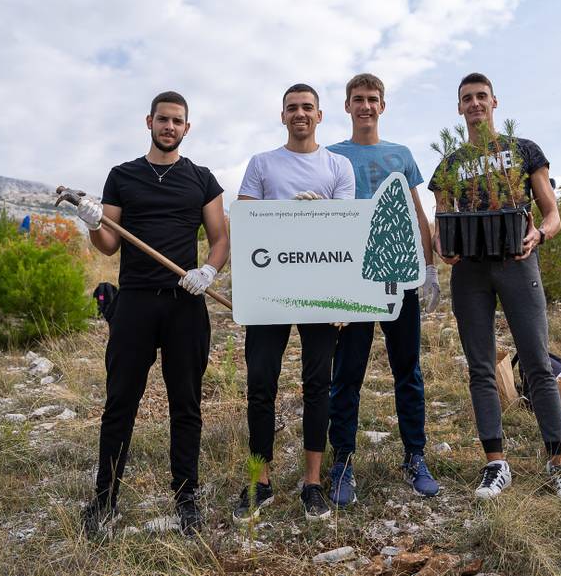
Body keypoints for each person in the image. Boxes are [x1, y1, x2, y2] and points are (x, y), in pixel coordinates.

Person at [76, 91, 230, 538]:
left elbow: (220, 238)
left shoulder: (202, 179)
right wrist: (93, 223)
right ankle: (104, 501)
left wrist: (208, 270)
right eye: (163, 119)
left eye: (177, 121)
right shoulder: (122, 176)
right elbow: (108, 245)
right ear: (149, 122)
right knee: (120, 403)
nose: (169, 126)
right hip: (135, 303)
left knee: (186, 405)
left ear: (187, 127)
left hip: (185, 302)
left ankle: (187, 500)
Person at [429, 73, 561, 504]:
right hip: (470, 273)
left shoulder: (523, 151)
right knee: (480, 367)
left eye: (481, 96)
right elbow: (441, 221)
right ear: (459, 108)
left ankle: (559, 464)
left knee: (537, 363)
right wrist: (443, 247)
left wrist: (540, 235)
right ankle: (496, 463)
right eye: (467, 98)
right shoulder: (450, 164)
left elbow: (552, 213)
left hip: (518, 262)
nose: (475, 104)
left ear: (494, 102)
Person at [232, 83, 356, 522]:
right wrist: (287, 213)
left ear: (320, 115)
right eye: (292, 108)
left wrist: (342, 299)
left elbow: (345, 230)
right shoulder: (262, 164)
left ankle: (313, 483)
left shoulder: (338, 166)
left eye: (307, 107)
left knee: (318, 385)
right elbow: (247, 222)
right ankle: (260, 482)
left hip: (319, 289)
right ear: (282, 115)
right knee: (260, 384)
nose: (300, 114)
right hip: (270, 288)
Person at [325, 73, 440, 507]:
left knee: (407, 368)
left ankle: (415, 457)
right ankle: (342, 462)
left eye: (372, 99)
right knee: (347, 373)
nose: (365, 106)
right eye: (358, 99)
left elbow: (416, 213)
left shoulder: (400, 155)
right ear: (347, 106)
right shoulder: (332, 155)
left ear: (382, 106)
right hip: (352, 279)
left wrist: (428, 268)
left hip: (398, 274)